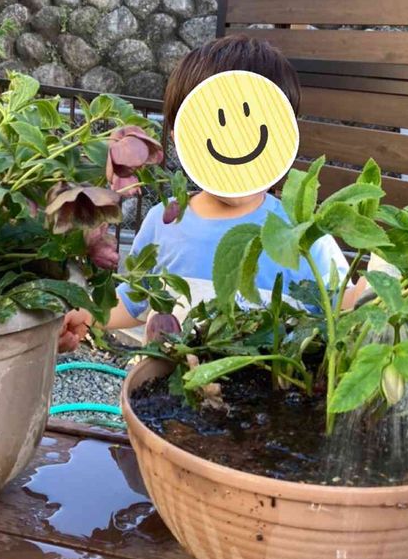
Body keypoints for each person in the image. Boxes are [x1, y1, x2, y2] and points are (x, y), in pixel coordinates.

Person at [58, 34, 366, 352]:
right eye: (217, 124)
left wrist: (373, 286)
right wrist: (86, 314)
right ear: (178, 136)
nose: (235, 142)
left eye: (252, 126)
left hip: (263, 383)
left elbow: (340, 304)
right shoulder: (163, 221)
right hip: (163, 379)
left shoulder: (300, 232)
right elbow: (133, 300)